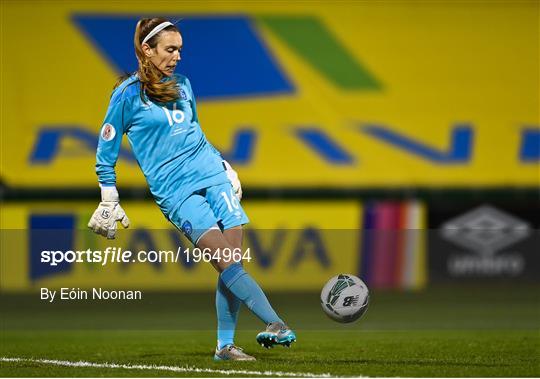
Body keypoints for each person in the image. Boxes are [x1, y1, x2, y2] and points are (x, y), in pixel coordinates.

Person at [87, 17, 295, 361]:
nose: (178, 56)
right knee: (227, 262)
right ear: (146, 50)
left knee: (232, 262)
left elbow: (196, 131)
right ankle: (275, 323)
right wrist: (108, 196)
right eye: (170, 49)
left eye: (180, 49)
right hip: (177, 192)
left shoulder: (183, 84)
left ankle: (224, 347)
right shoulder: (126, 95)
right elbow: (104, 152)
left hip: (212, 175)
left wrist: (225, 166)